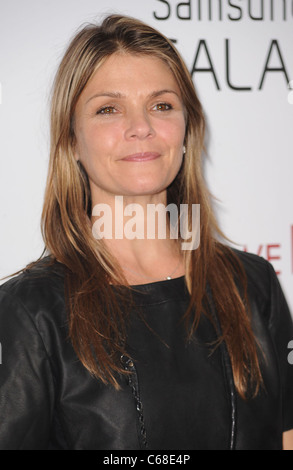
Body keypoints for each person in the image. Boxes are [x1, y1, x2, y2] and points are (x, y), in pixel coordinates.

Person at [0, 14, 292, 451]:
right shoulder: (29, 312)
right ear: (72, 142)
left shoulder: (252, 285)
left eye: (161, 105)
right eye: (108, 109)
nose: (141, 127)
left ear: (187, 129)